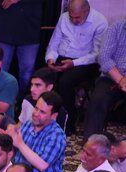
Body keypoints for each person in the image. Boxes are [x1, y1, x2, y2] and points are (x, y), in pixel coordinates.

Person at [45, 0, 108, 133]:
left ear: (87, 11)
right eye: (71, 16)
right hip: (62, 57)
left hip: (85, 62)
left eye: (77, 17)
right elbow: (54, 43)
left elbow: (97, 54)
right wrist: (50, 59)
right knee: (42, 77)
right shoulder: (64, 18)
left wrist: (74, 63)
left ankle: (68, 122)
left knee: (65, 82)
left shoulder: (100, 22)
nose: (73, 20)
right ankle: (43, 119)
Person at [6, 90, 67, 172]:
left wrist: (20, 144)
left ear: (53, 116)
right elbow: (14, 149)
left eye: (42, 112)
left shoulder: (56, 135)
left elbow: (42, 165)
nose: (36, 114)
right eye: (36, 108)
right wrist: (9, 136)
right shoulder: (28, 124)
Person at [83, 17, 126, 138]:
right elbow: (103, 56)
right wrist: (121, 79)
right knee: (98, 100)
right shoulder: (116, 28)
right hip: (111, 78)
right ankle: (90, 144)